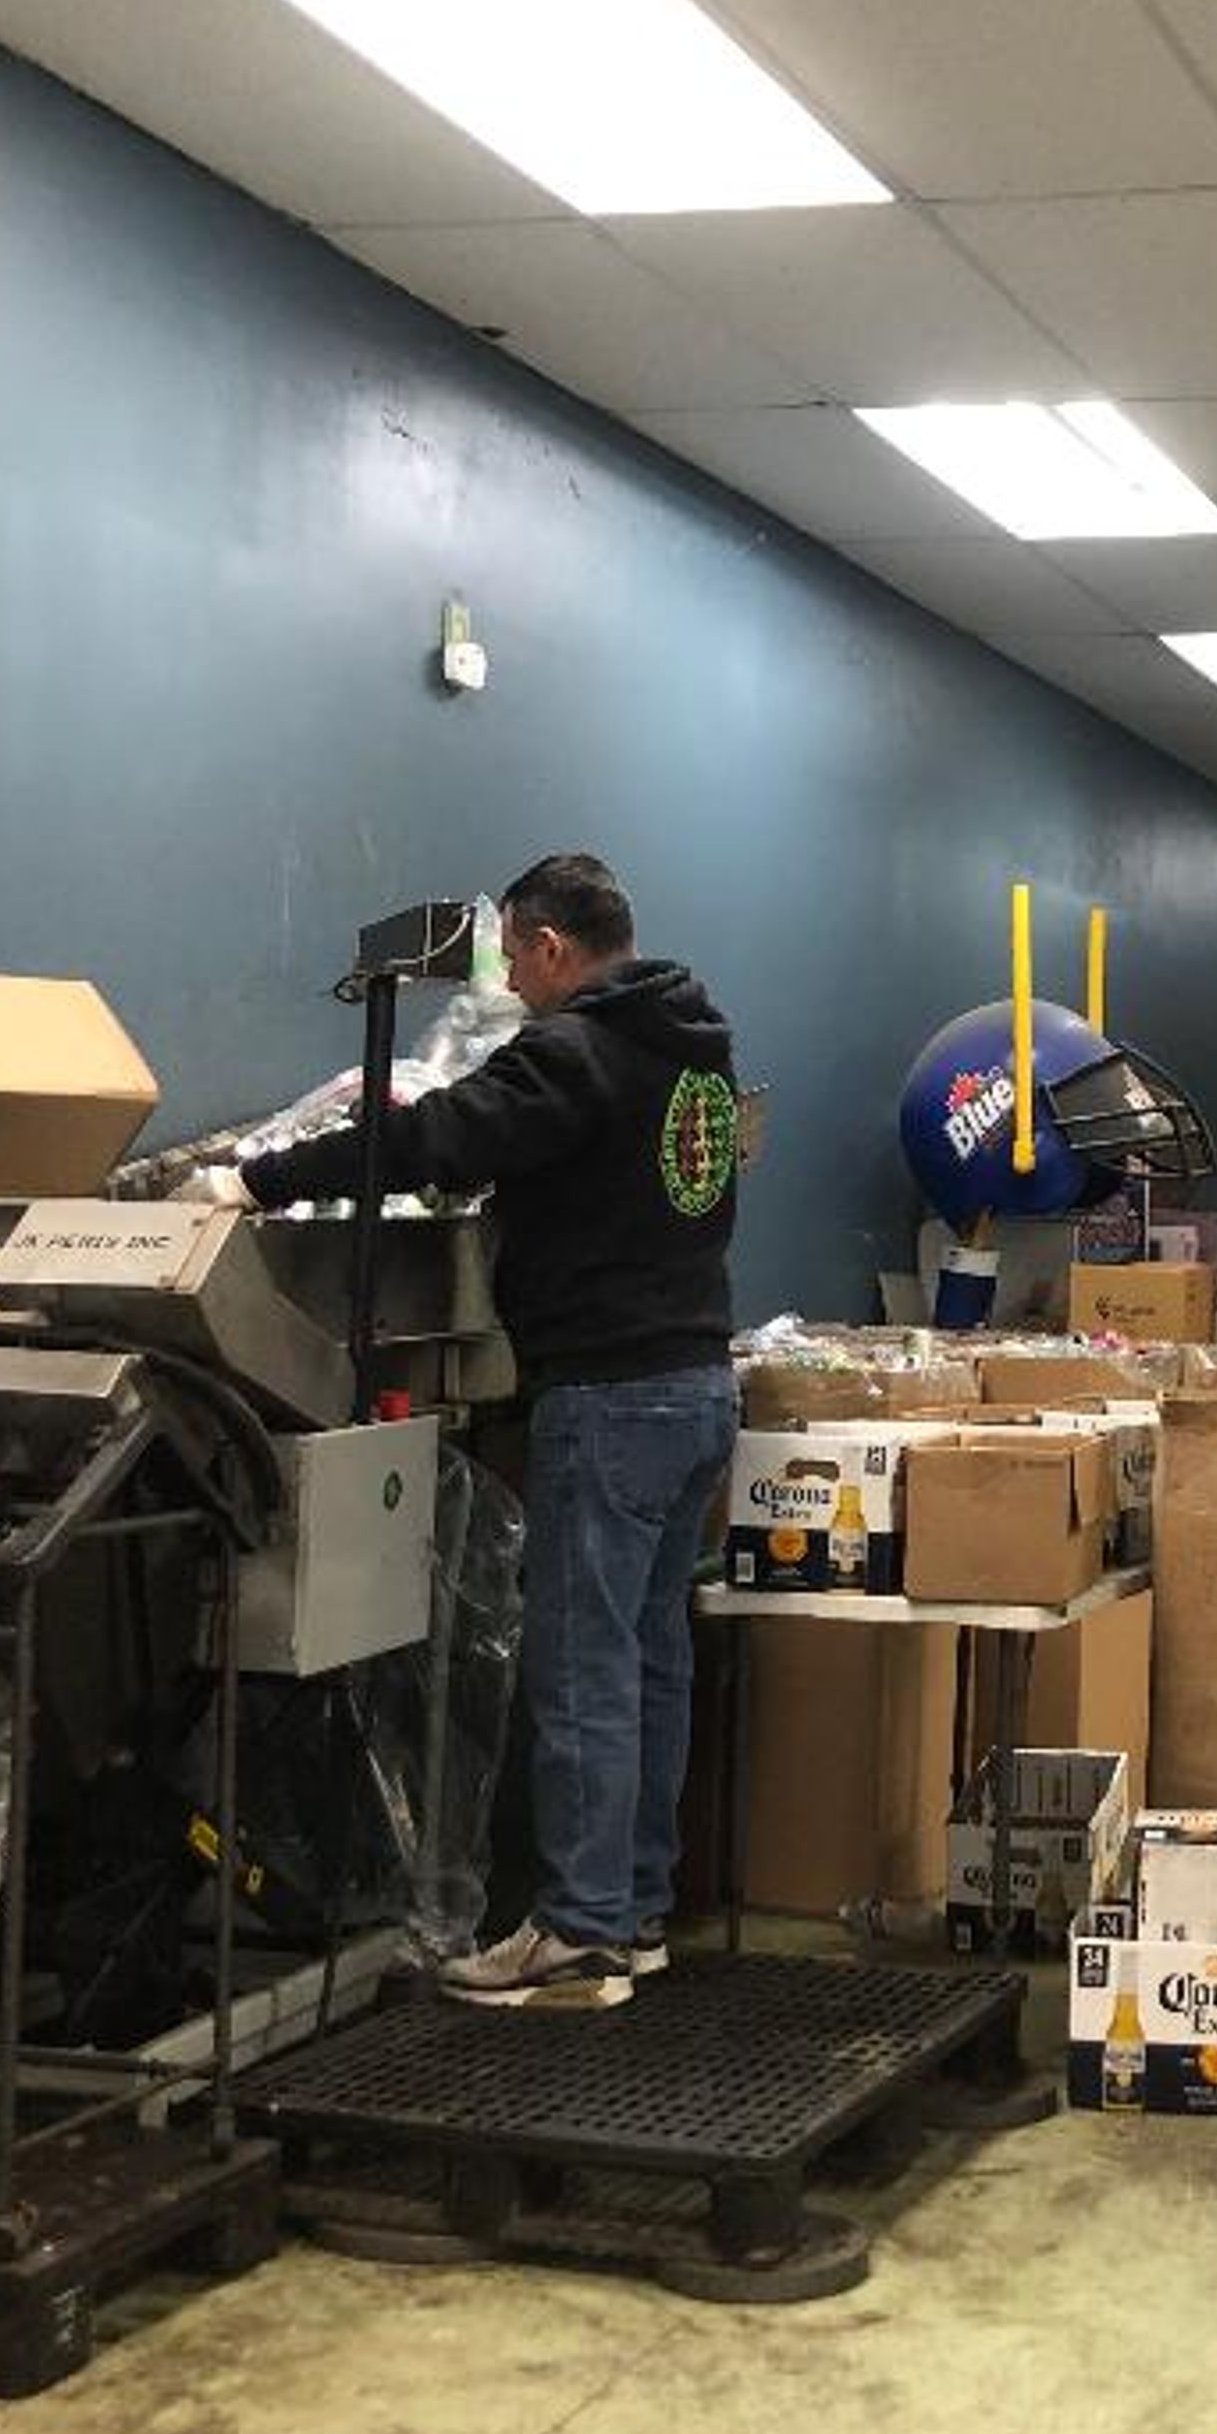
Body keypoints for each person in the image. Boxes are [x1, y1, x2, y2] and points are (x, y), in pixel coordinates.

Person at [208, 853, 740, 2009]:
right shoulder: (694, 1052)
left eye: (509, 955)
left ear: (548, 947)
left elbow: (432, 1139)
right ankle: (635, 1910)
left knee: (582, 1665)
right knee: (650, 1662)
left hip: (608, 1395)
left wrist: (258, 1182)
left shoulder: (572, 1052)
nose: (507, 978)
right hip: (698, 1385)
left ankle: (581, 1931)